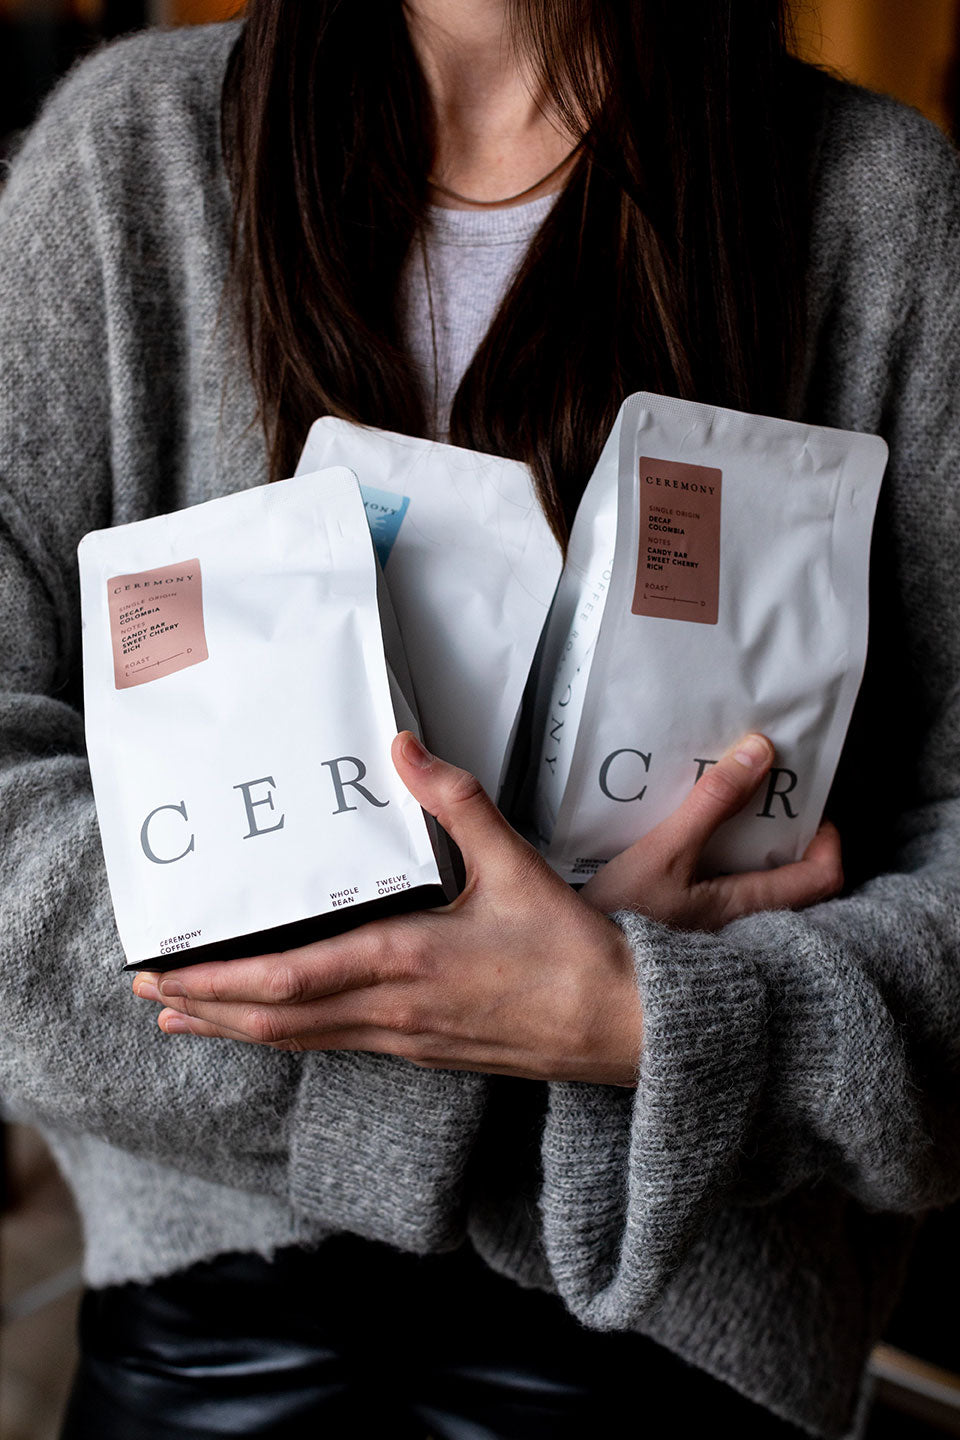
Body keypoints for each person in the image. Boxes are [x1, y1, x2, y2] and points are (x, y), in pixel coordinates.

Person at [0, 1, 957, 1436]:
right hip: (215, 1317)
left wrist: (644, 1018)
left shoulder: (883, 211)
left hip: (692, 1315)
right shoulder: (122, 161)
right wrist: (472, 1006)